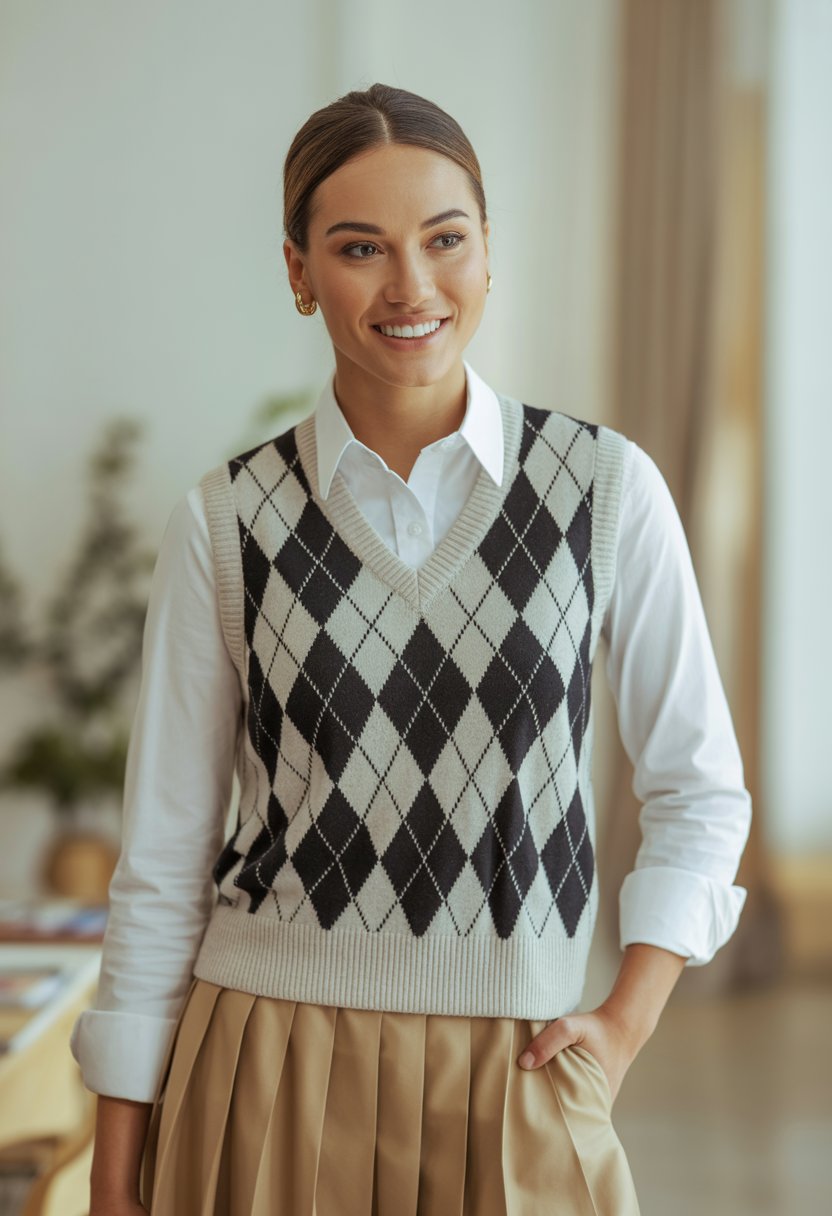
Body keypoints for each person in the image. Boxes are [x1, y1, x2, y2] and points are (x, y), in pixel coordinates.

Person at [71, 83, 752, 1215]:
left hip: (522, 1063)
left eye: (445, 240)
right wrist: (115, 1162)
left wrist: (623, 1025)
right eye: (358, 248)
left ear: (489, 254)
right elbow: (163, 860)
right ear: (297, 272)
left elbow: (699, 788)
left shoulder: (604, 491)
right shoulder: (226, 521)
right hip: (261, 1060)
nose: (411, 287)